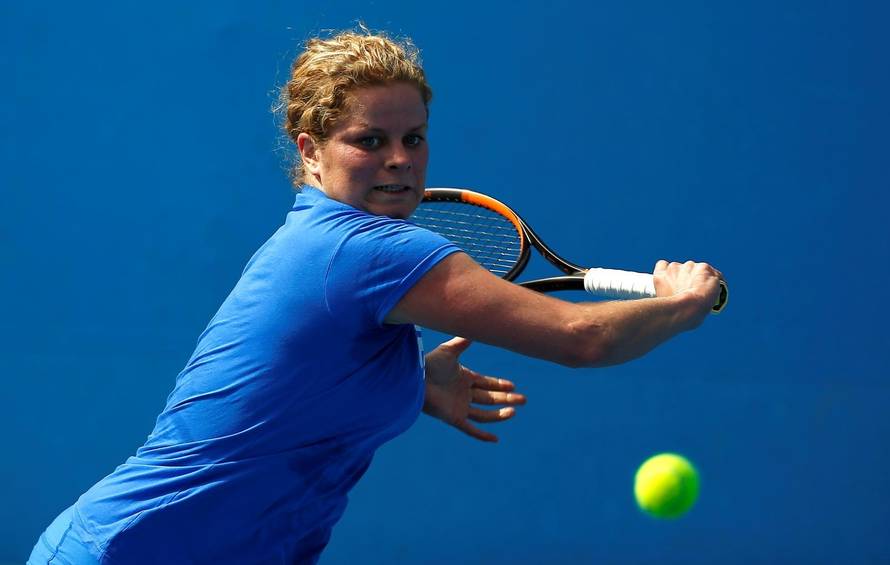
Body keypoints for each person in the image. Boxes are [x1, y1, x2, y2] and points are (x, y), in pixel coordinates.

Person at [28, 28, 723, 565]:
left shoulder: (321, 240)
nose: (399, 159)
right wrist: (681, 304)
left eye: (413, 138)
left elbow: (289, 386)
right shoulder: (372, 250)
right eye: (369, 140)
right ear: (310, 150)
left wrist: (410, 384)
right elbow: (582, 338)